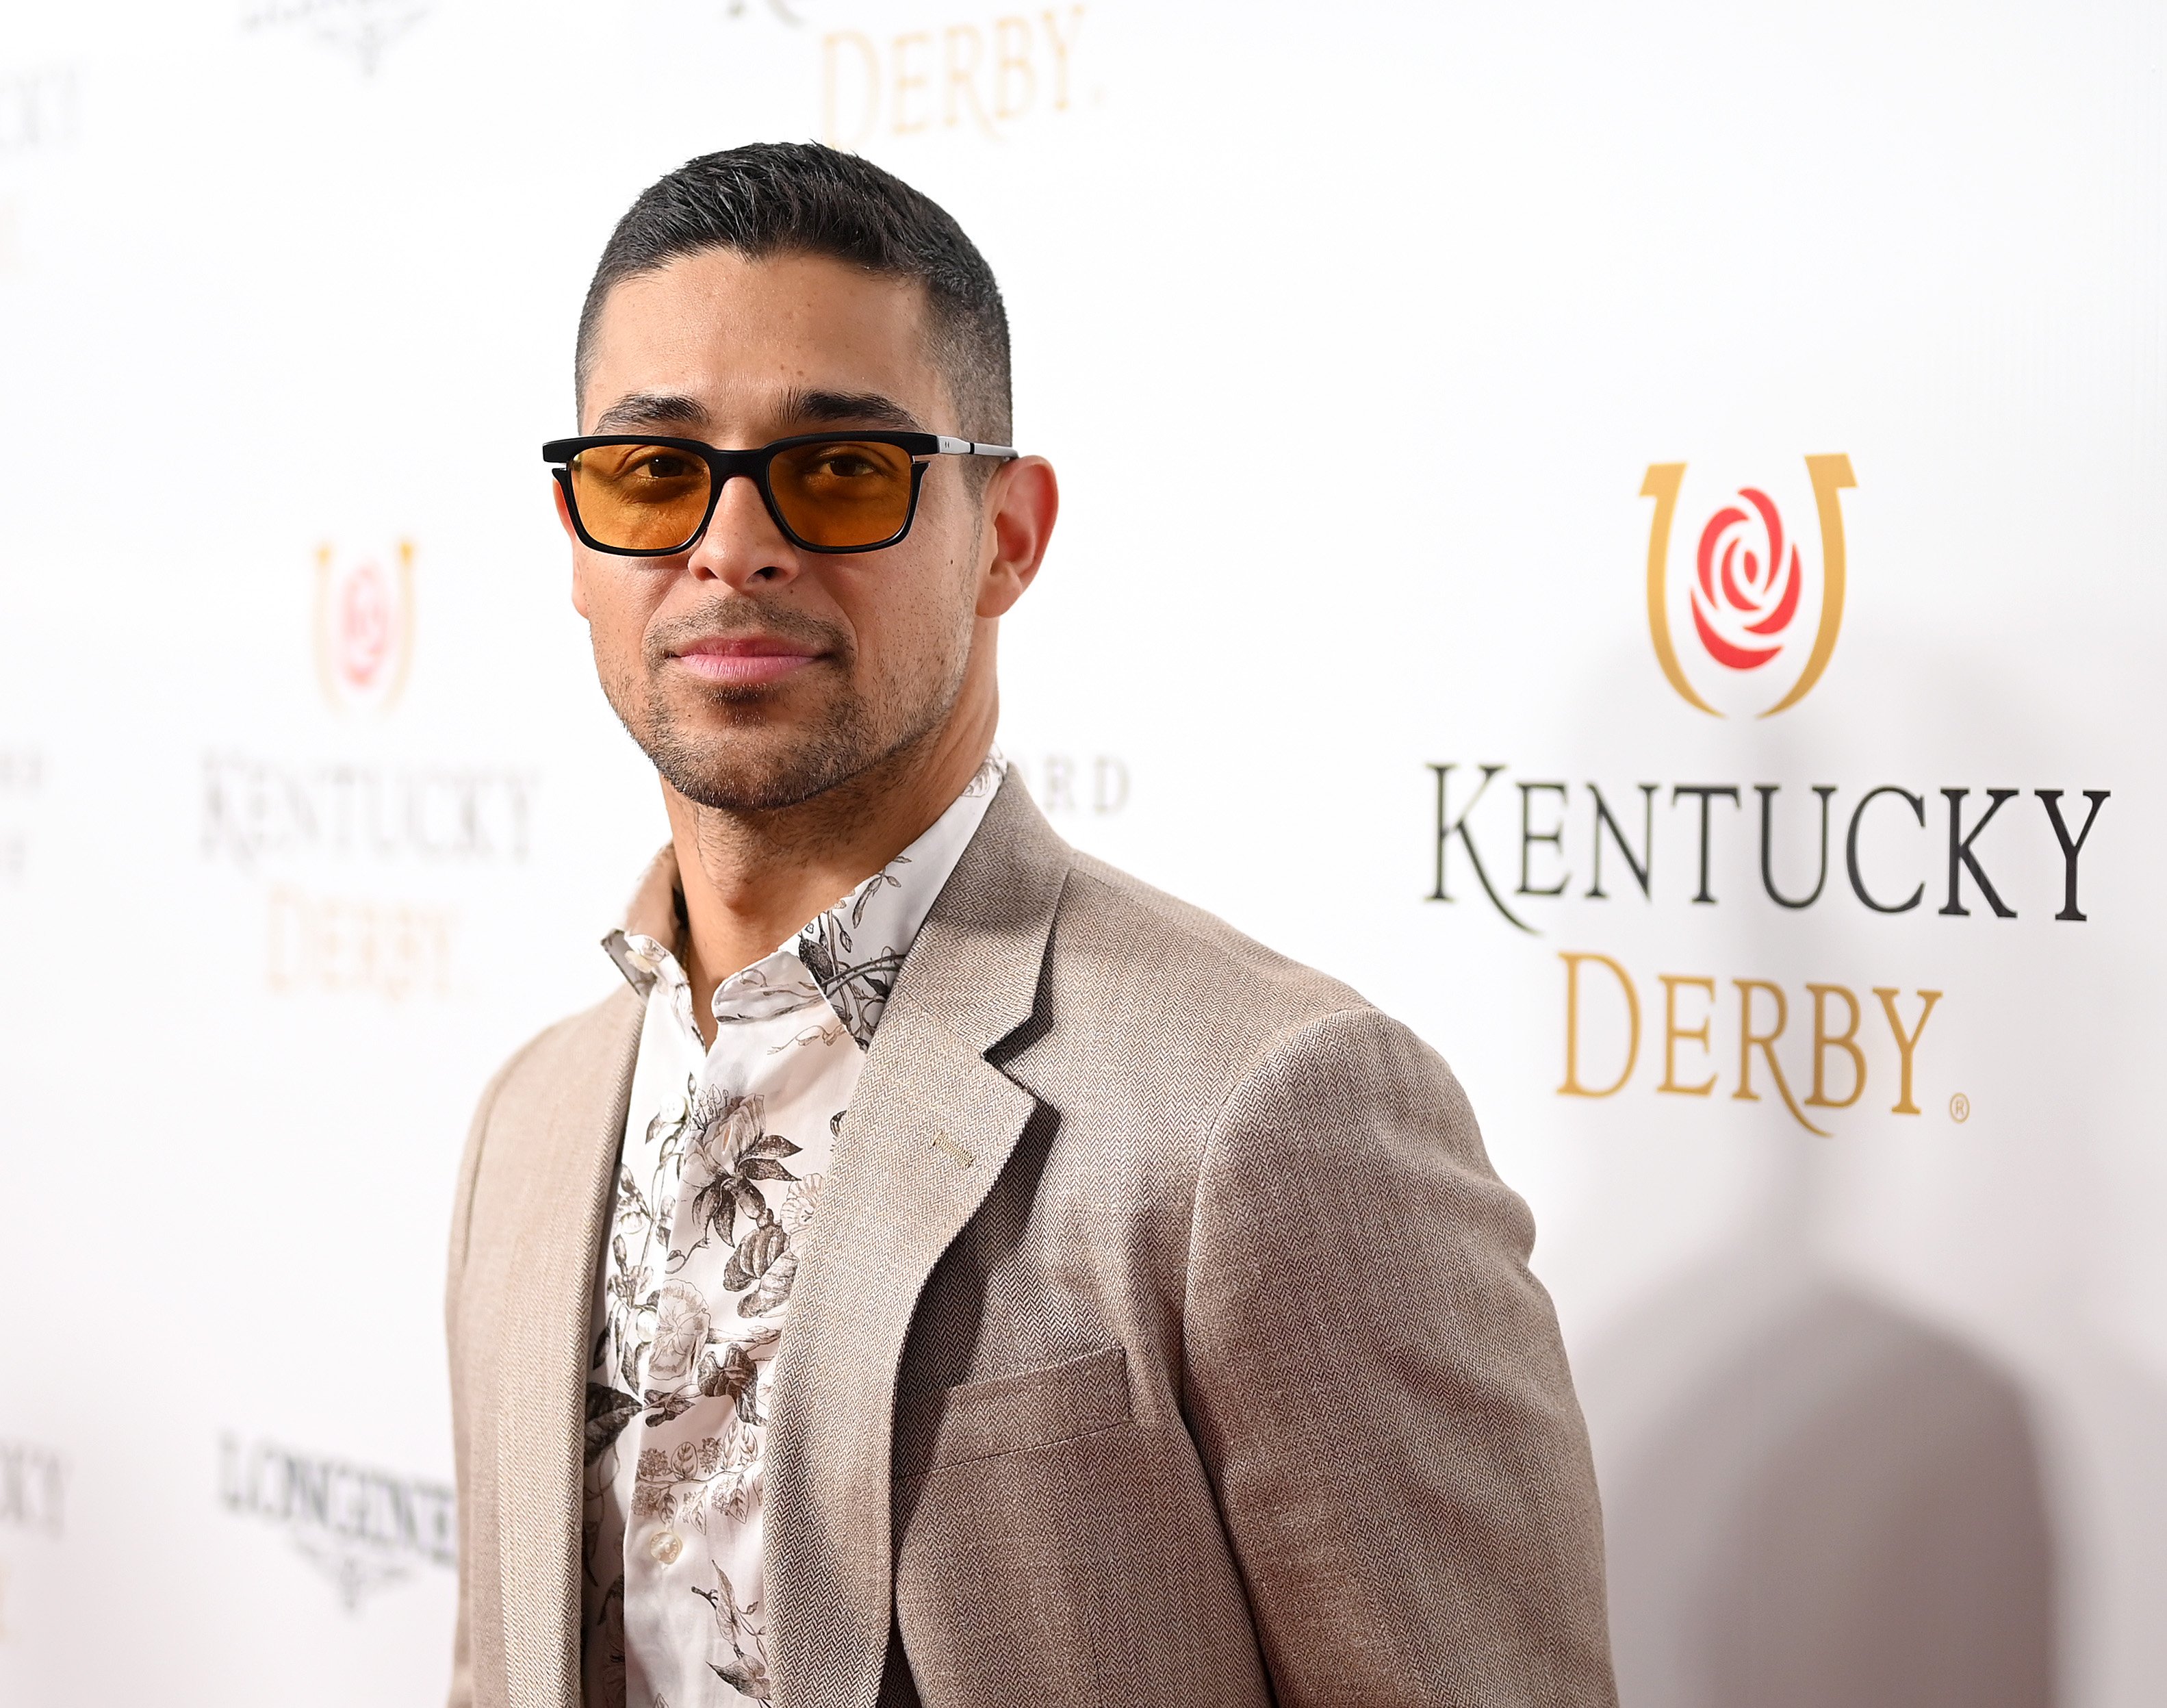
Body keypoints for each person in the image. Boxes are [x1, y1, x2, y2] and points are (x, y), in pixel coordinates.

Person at [444, 140, 1615, 1708]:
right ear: (577, 537)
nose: (731, 546)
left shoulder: (1266, 1114)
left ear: (1006, 533)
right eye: (653, 474)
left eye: (841, 469)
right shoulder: (529, 1128)